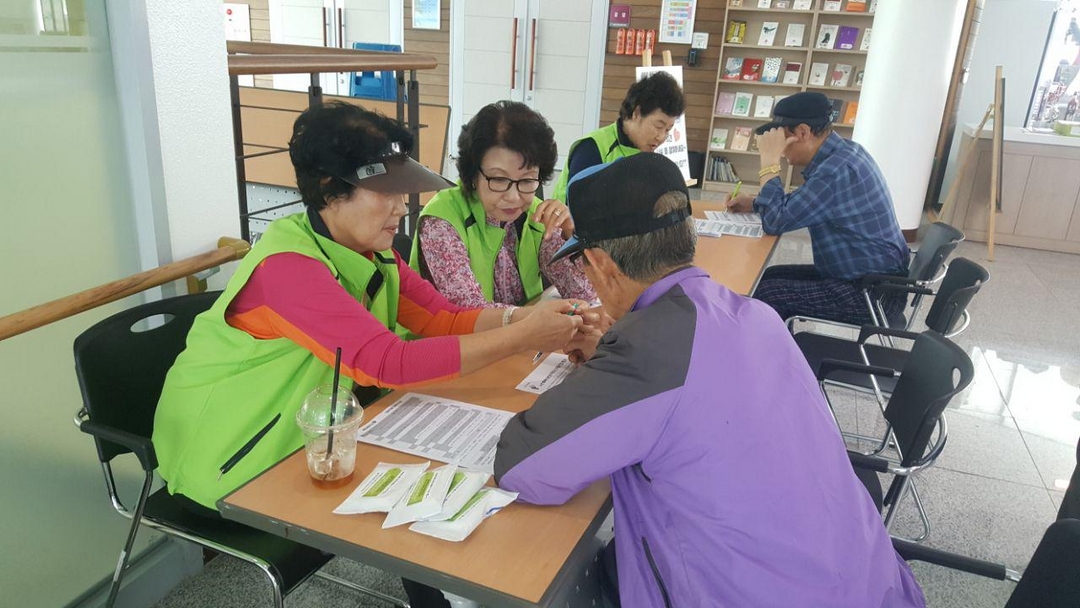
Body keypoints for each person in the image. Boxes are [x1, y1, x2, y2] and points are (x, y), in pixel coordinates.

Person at [151, 102, 590, 608]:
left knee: (436, 488)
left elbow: (440, 318)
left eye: (403, 193)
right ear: (328, 191)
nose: (402, 208)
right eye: (386, 193)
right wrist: (523, 334)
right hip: (237, 459)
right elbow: (383, 361)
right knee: (429, 498)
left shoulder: (372, 253)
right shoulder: (287, 269)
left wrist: (531, 321)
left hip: (319, 436)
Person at [494, 153, 926, 607]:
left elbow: (523, 467)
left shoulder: (648, 351)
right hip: (868, 583)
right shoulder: (758, 315)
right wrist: (611, 357)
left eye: (583, 263)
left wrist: (609, 366)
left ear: (601, 264)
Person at [726, 91, 911, 326]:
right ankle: (776, 350)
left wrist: (769, 162)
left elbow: (775, 222)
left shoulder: (836, 170)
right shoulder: (844, 153)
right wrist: (754, 203)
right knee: (766, 277)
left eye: (782, 141)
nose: (781, 150)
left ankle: (771, 359)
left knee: (769, 294)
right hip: (866, 280)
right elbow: (804, 204)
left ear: (802, 132)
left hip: (872, 294)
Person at [413, 100, 595, 307]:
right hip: (453, 338)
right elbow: (469, 312)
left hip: (519, 334)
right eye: (499, 180)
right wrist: (540, 318)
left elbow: (584, 293)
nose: (514, 197)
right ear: (473, 174)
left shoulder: (537, 216)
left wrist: (573, 236)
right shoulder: (442, 219)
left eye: (526, 180)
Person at [550, 71, 685, 203]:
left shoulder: (647, 155)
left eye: (668, 130)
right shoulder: (592, 148)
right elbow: (580, 208)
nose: (661, 137)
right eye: (658, 126)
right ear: (637, 113)